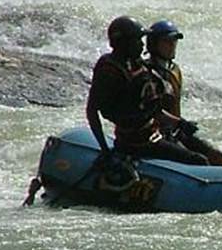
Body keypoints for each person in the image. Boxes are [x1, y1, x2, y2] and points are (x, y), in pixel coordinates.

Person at [86, 16, 208, 168]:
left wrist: (180, 123)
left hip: (152, 136)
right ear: (124, 43)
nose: (142, 46)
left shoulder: (138, 67)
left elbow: (153, 110)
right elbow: (92, 110)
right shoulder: (109, 70)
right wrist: (105, 149)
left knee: (201, 154)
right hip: (136, 144)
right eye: (138, 41)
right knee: (198, 161)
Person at [145, 20, 222, 166]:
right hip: (156, 135)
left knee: (216, 155)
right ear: (154, 44)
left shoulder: (174, 69)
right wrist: (180, 123)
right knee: (199, 160)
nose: (172, 46)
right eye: (167, 42)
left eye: (174, 42)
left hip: (176, 130)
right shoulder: (146, 73)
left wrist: (180, 125)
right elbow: (152, 111)